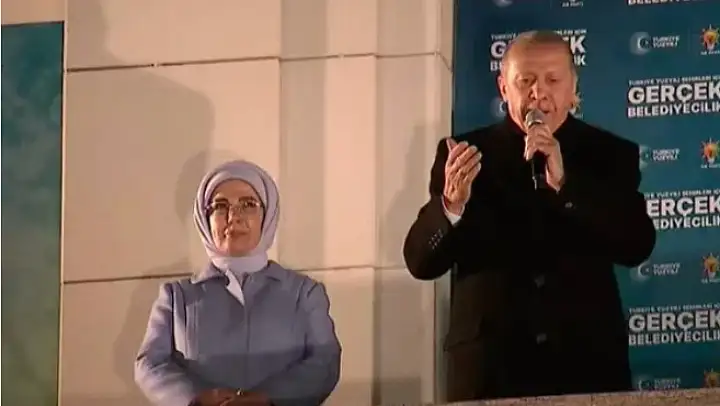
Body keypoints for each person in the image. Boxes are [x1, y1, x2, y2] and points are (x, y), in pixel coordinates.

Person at [403, 31, 656, 402]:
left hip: (586, 366)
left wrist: (567, 186)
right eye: (526, 81)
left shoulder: (610, 154)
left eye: (553, 80)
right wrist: (451, 205)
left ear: (573, 88)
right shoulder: (463, 154)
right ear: (503, 88)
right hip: (490, 371)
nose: (539, 93)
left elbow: (637, 244)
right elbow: (420, 262)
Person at [135, 160, 342, 406]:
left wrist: (269, 399)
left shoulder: (305, 293)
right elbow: (150, 363)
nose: (234, 217)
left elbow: (325, 360)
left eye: (248, 205)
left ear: (268, 215)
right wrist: (196, 399)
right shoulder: (176, 297)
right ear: (204, 218)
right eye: (220, 206)